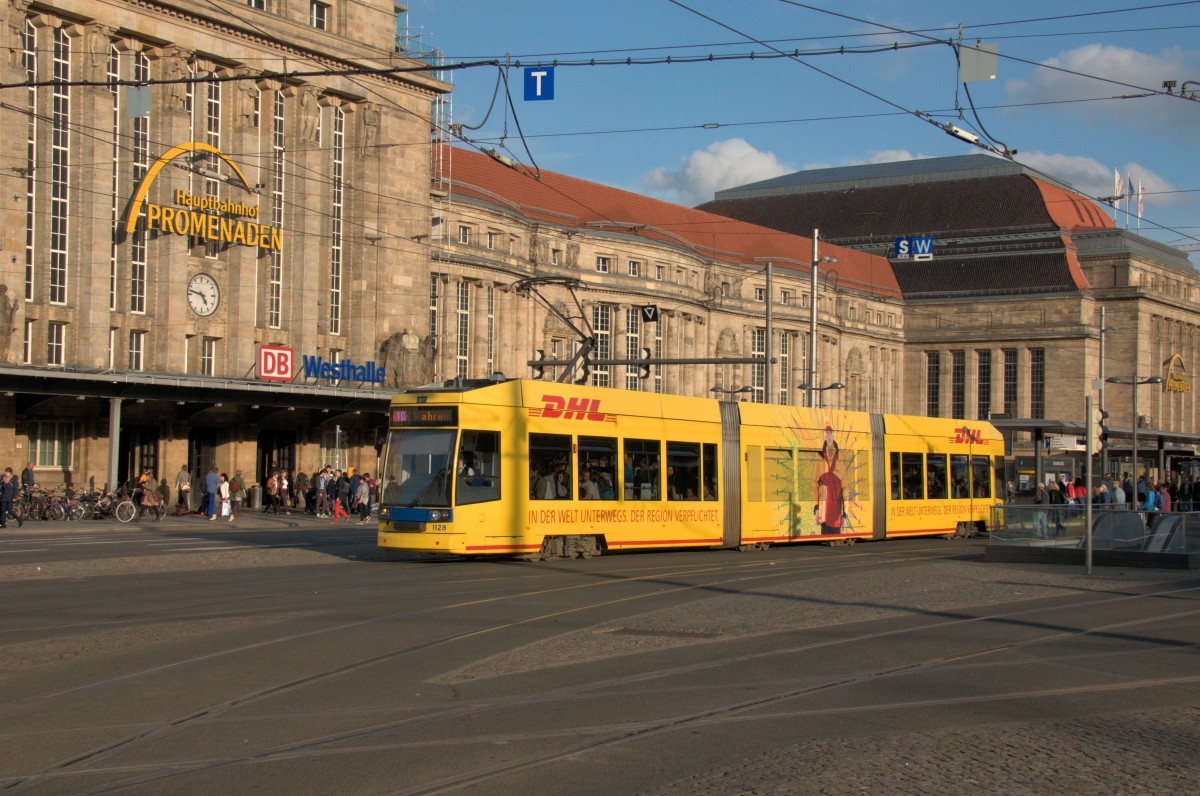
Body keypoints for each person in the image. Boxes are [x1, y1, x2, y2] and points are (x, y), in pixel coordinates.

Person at [815, 426, 845, 535]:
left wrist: (844, 515)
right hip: (824, 516)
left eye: (830, 432)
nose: (828, 435)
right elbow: (814, 485)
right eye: (826, 432)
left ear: (833, 435)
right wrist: (816, 508)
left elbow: (845, 488)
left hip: (836, 516)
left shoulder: (840, 460)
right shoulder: (820, 460)